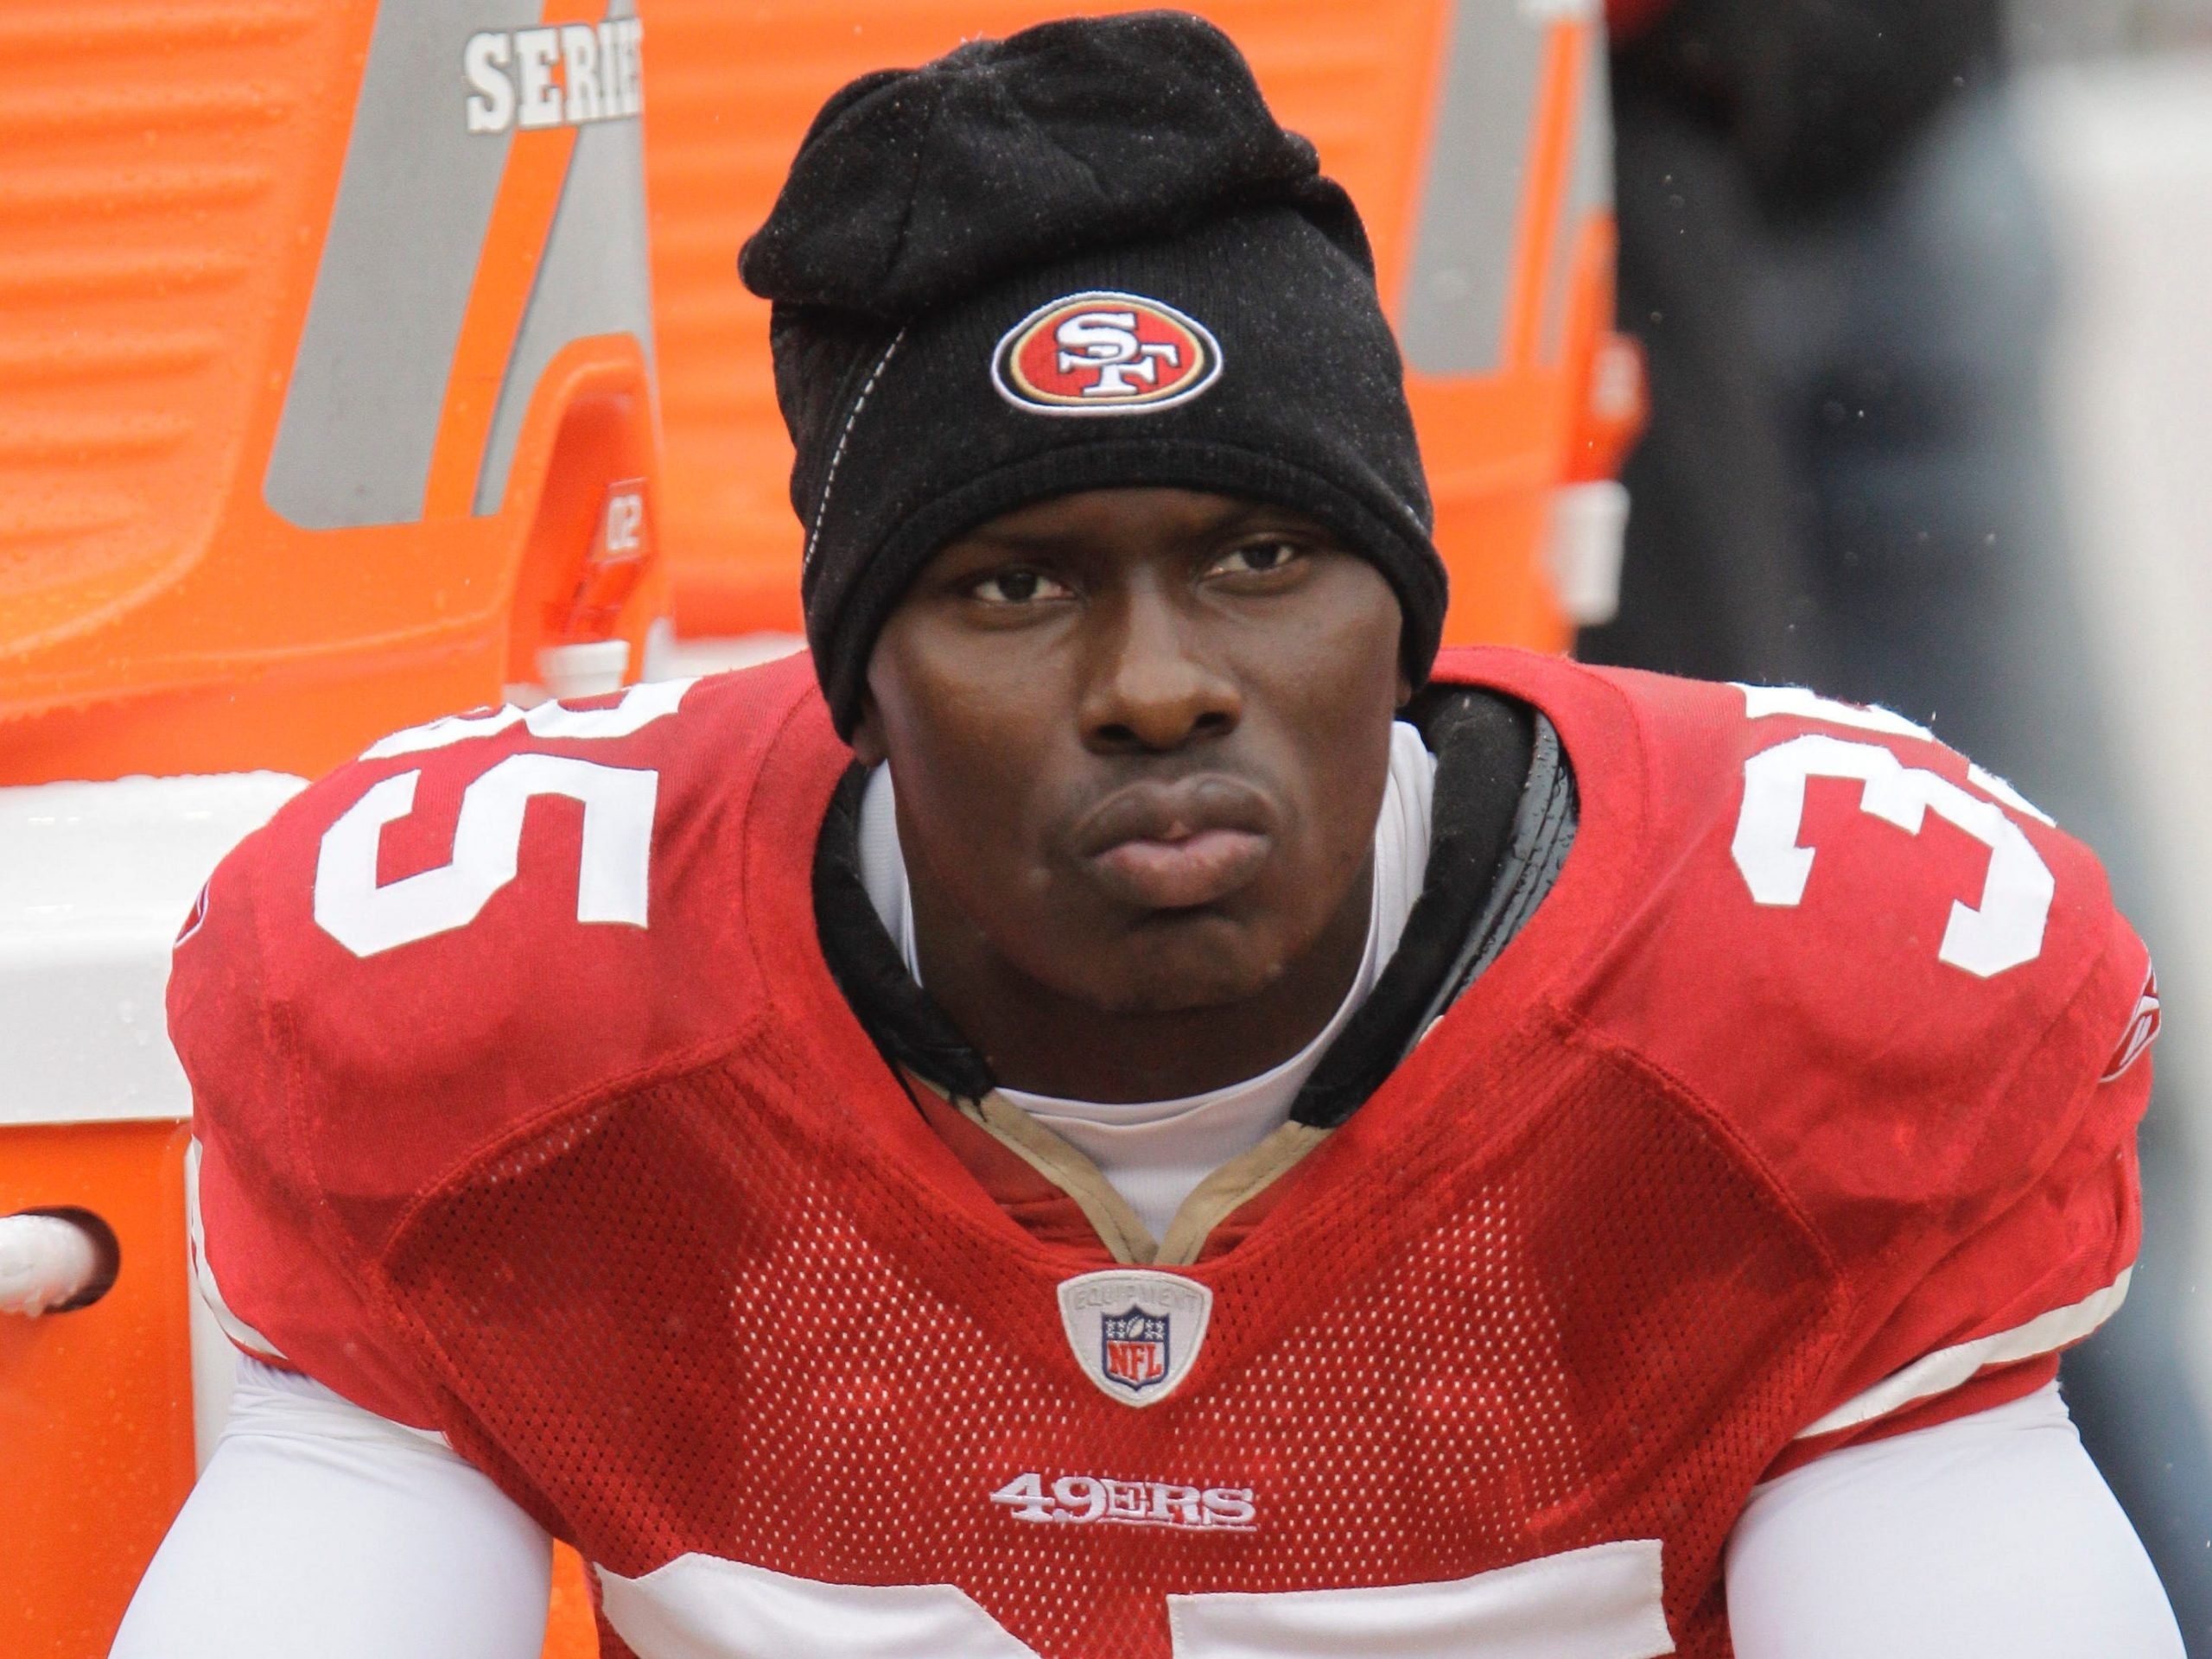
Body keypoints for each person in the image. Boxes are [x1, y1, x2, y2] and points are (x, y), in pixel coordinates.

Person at [117, 15, 2181, 1657]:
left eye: (1263, 553)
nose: (1160, 683)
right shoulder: (487, 1006)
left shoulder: (1800, 981)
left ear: (1406, 622)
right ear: (851, 677)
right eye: (1013, 586)